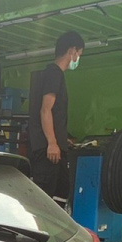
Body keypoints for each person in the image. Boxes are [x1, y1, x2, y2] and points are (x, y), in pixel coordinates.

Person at [28, 31, 85, 202]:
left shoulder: (52, 75)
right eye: (79, 54)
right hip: (48, 151)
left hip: (54, 149)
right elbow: (46, 110)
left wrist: (60, 138)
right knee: (45, 200)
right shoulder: (54, 74)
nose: (78, 59)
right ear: (72, 51)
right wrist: (52, 143)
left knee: (61, 193)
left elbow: (54, 113)